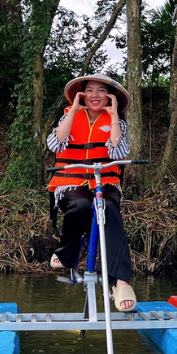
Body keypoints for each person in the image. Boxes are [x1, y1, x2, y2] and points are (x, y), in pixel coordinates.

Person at [47, 74, 137, 312]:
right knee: (81, 207)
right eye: (89, 90)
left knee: (108, 208)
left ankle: (121, 281)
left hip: (105, 183)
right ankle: (66, 254)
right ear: (81, 95)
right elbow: (55, 144)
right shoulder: (69, 115)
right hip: (70, 183)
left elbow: (118, 153)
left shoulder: (117, 121)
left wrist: (114, 116)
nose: (94, 95)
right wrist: (74, 111)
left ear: (110, 97)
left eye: (101, 91)